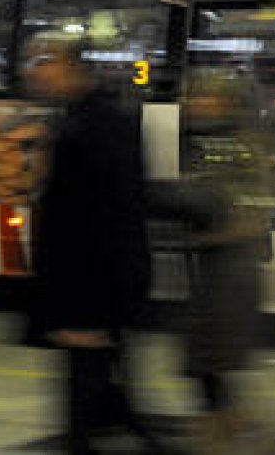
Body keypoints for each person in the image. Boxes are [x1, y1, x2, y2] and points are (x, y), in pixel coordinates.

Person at [19, 34, 159, 455]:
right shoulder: (86, 118)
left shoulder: (89, 126)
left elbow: (96, 216)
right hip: (95, 287)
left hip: (88, 288)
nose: (35, 71)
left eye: (44, 61)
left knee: (84, 393)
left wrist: (82, 307)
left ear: (69, 65)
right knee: (104, 385)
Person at [160, 67, 275, 454]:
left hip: (230, 272)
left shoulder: (241, 145)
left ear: (227, 101)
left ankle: (229, 438)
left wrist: (206, 220)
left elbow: (259, 206)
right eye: (192, 95)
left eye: (203, 95)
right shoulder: (210, 141)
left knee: (208, 366)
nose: (191, 103)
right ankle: (234, 433)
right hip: (214, 271)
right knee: (210, 371)